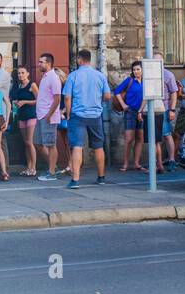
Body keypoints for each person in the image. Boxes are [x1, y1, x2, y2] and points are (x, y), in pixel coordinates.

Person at [62, 48, 112, 189]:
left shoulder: (73, 76)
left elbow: (67, 97)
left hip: (78, 115)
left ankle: (75, 180)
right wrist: (97, 100)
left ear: (79, 59)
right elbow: (108, 96)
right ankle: (101, 177)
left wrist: (69, 113)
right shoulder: (99, 75)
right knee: (98, 146)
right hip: (96, 115)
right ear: (90, 60)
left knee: (77, 146)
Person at [35, 53, 65, 182]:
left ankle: (52, 172)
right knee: (37, 143)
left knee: (51, 145)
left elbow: (57, 98)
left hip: (48, 117)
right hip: (41, 115)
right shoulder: (45, 77)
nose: (39, 64)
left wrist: (49, 115)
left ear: (48, 63)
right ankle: (53, 167)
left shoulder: (53, 77)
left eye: (41, 62)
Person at [114, 61, 145, 173]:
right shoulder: (130, 81)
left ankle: (136, 163)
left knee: (140, 138)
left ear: (142, 70)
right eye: (134, 69)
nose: (136, 72)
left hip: (141, 112)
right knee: (129, 139)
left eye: (138, 69)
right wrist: (123, 105)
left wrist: (141, 111)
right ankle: (125, 164)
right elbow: (117, 91)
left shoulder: (146, 82)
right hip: (130, 112)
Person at [12, 65, 38, 176]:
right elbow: (15, 99)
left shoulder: (32, 85)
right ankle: (28, 167)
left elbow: (39, 100)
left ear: (27, 74)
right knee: (25, 143)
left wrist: (25, 102)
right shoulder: (18, 86)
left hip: (31, 115)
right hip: (21, 115)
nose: (20, 75)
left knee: (30, 142)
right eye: (19, 73)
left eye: (23, 73)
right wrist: (16, 102)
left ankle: (33, 168)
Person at [160, 65, 180, 171]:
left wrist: (172, 110)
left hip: (164, 108)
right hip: (150, 109)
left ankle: (172, 160)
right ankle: (157, 162)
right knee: (154, 137)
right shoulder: (148, 72)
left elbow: (174, 92)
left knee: (167, 135)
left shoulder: (168, 74)